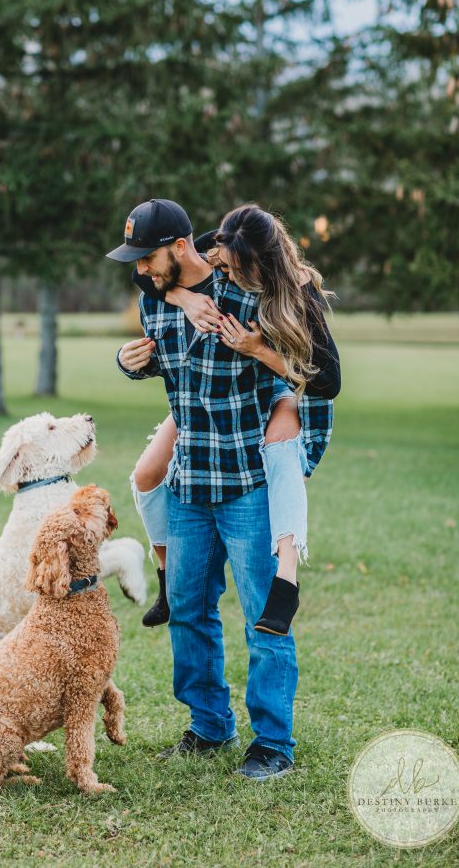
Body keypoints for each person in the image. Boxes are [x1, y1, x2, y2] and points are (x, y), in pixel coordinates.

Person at [107, 198, 332, 780]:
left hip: (247, 485)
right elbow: (166, 364)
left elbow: (311, 374)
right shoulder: (155, 300)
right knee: (187, 611)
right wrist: (129, 362)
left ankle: (273, 743)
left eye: (147, 257)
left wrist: (264, 357)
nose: (140, 270)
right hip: (188, 483)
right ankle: (209, 726)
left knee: (264, 617)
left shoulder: (249, 292)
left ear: (181, 247)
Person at [130, 205, 340, 637]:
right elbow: (148, 274)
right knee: (147, 472)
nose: (226, 277)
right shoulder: (220, 242)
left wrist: (258, 350)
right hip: (210, 401)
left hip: (286, 383)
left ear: (262, 266)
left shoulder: (296, 288)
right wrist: (185, 297)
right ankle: (167, 580)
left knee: (281, 448)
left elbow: (327, 382)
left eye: (234, 271)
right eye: (224, 266)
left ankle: (287, 578)